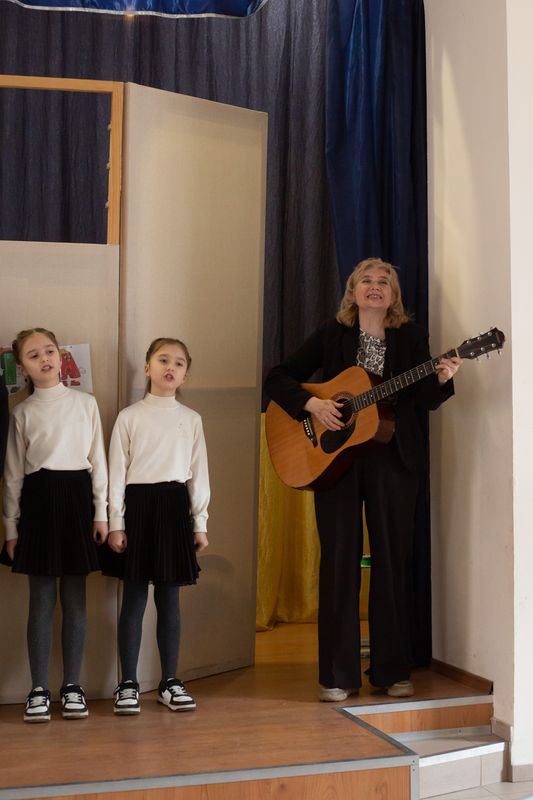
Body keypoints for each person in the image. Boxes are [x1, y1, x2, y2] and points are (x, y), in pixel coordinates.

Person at [264, 258, 461, 701]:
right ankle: (338, 675)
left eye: (384, 281)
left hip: (394, 459)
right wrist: (312, 406)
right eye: (366, 281)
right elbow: (278, 377)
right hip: (335, 461)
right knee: (339, 560)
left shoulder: (412, 337)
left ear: (394, 295)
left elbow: (426, 400)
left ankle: (391, 671)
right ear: (352, 292)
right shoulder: (332, 334)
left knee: (392, 560)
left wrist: (442, 379)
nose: (375, 286)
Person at [2, 328, 108, 722]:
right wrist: (11, 529)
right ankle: (38, 689)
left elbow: (99, 462)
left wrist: (102, 514)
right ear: (23, 368)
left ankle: (73, 686)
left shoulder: (86, 404)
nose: (44, 359)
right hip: (39, 505)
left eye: (49, 351)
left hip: (78, 502)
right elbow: (13, 476)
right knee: (41, 601)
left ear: (61, 356)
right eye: (33, 355)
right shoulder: (22, 413)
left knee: (76, 600)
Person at [106, 337, 209, 715]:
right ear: (148, 367)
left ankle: (169, 681)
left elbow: (198, 473)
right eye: (163, 360)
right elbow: (117, 474)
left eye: (179, 363)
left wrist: (200, 522)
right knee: (133, 599)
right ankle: (128, 683)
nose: (171, 367)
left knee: (169, 600)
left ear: (185, 375)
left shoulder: (191, 419)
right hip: (137, 508)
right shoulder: (129, 417)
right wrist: (116, 523)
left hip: (174, 509)